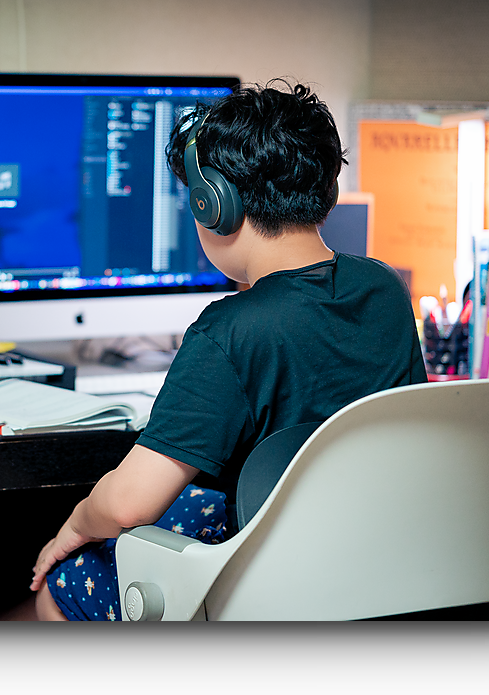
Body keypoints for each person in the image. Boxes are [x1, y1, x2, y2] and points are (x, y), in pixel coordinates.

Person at [26, 79, 428, 621]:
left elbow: (127, 504)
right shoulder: (384, 287)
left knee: (64, 583)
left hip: (276, 584)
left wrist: (75, 524)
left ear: (213, 204)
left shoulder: (230, 329)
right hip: (380, 565)